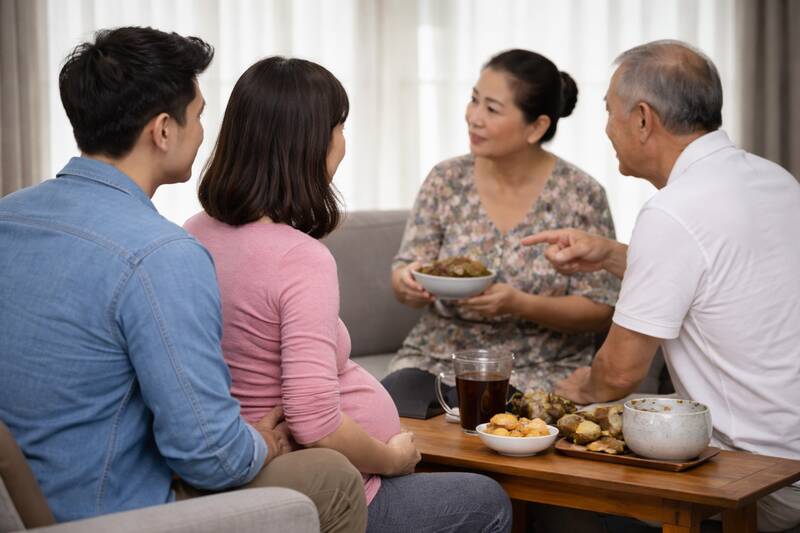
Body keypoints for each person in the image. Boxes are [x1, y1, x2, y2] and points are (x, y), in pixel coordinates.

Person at [0, 27, 366, 532]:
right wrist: (262, 441)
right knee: (331, 475)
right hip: (109, 510)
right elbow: (210, 457)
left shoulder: (10, 216)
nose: (202, 135)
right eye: (198, 117)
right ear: (163, 130)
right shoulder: (161, 254)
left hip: (25, 501)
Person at [184, 56, 512, 533]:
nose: (343, 141)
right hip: (333, 489)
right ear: (312, 143)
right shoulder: (299, 259)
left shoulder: (192, 234)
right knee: (488, 500)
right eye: (340, 126)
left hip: (254, 467)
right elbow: (313, 420)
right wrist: (390, 457)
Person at [524, 40, 800, 532]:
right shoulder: (774, 180)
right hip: (791, 461)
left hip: (756, 482)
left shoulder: (674, 210)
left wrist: (574, 391)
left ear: (643, 120)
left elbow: (619, 372)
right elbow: (717, 281)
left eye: (610, 112)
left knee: (536, 497)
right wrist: (609, 253)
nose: (607, 129)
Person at [387, 49, 621, 392]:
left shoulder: (581, 194)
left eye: (492, 109)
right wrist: (406, 283)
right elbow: (406, 269)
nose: (473, 117)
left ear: (537, 126)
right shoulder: (446, 179)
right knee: (390, 413)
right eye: (473, 100)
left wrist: (520, 304)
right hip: (436, 359)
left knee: (502, 422)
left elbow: (600, 308)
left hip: (539, 366)